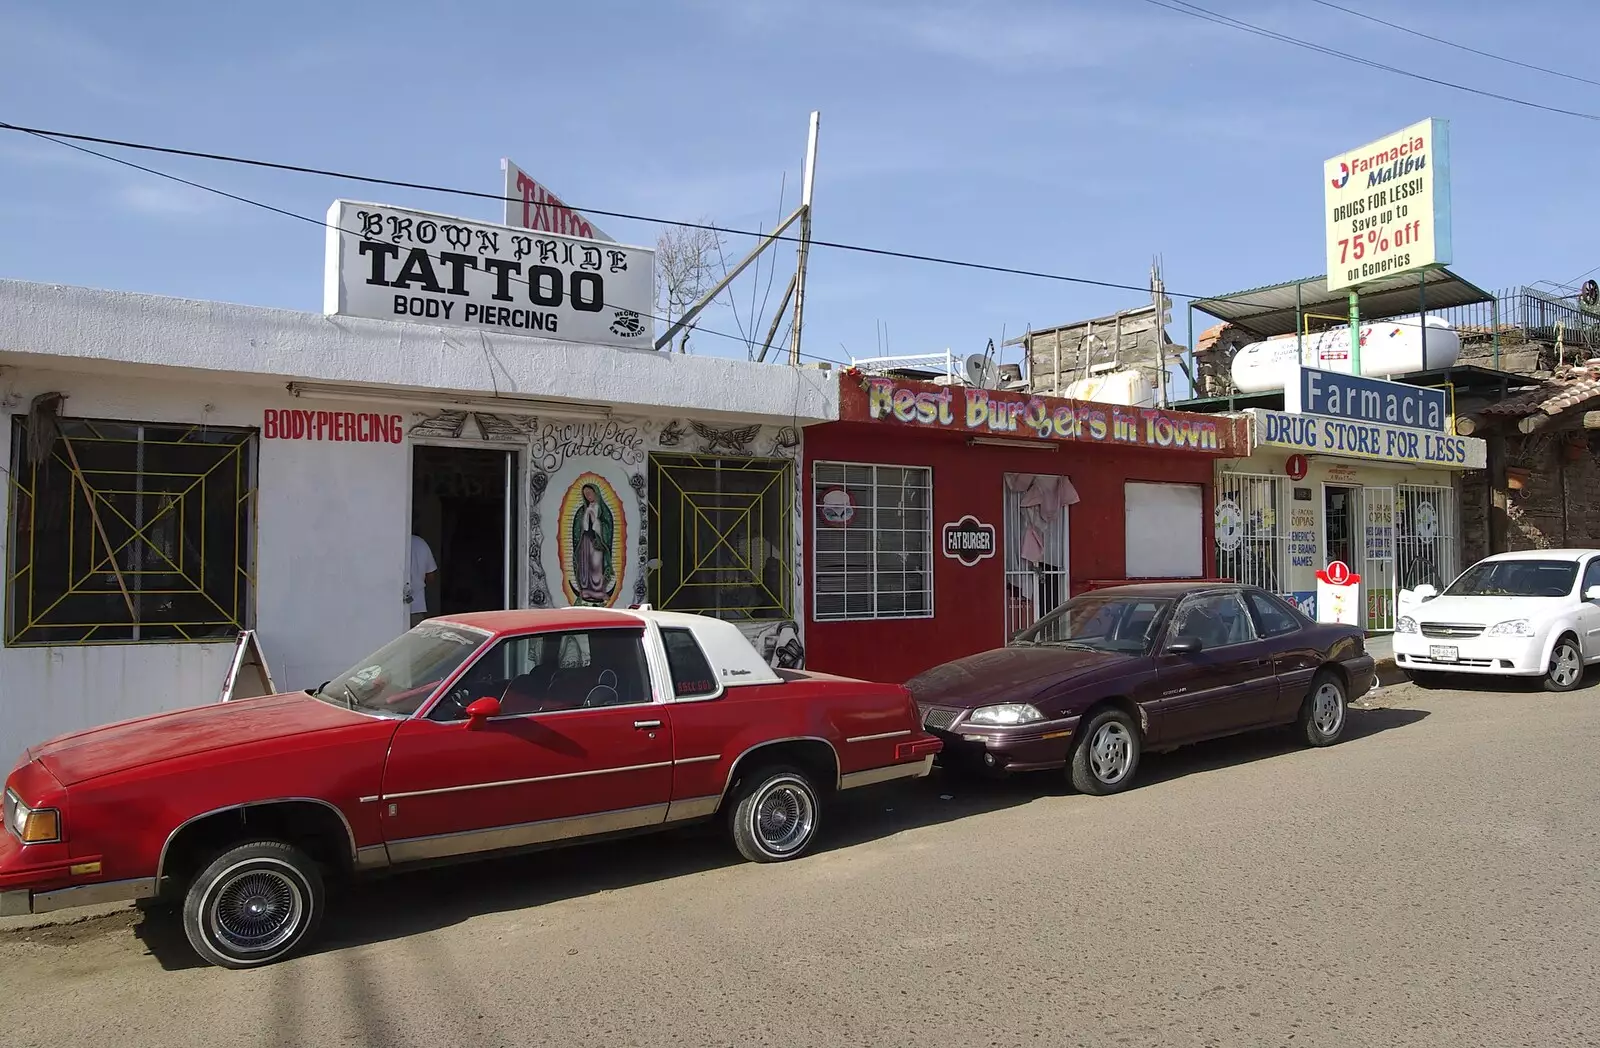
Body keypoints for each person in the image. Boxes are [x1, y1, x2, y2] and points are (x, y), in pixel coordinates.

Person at [407, 533, 438, 627]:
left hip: (392, 607)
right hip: (417, 605)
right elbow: (431, 576)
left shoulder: (394, 542)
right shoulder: (421, 544)